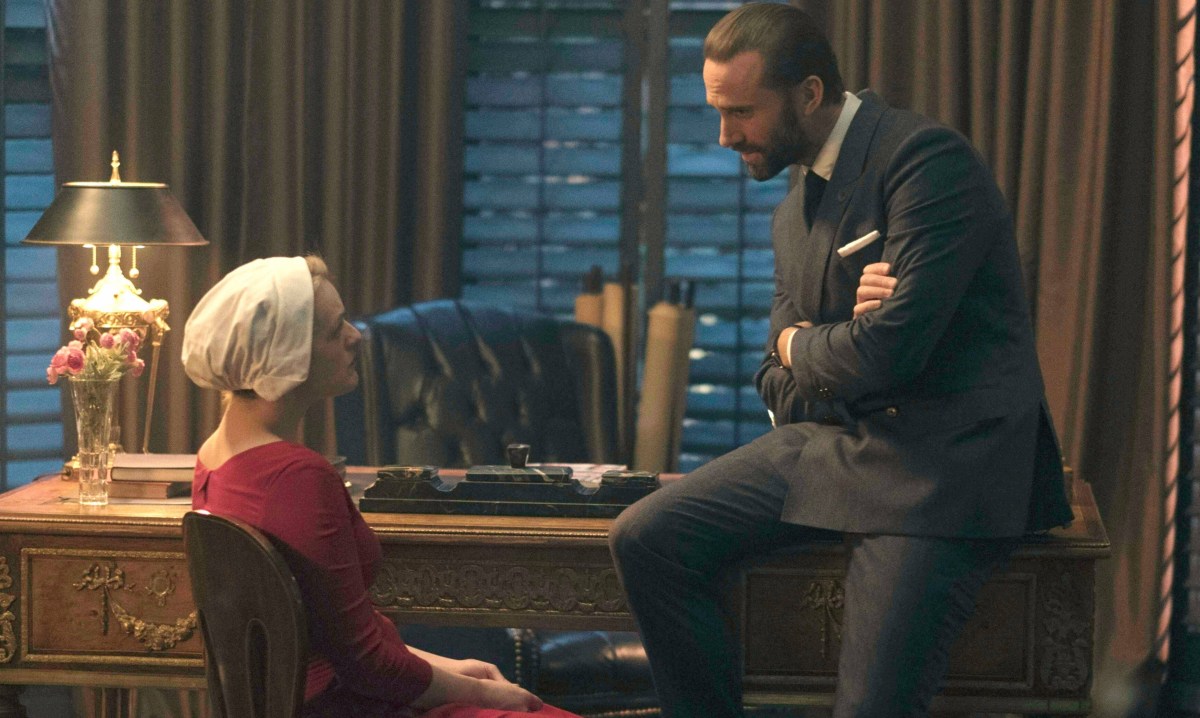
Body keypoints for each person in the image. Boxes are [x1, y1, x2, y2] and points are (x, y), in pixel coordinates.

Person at [608, 5, 1073, 717]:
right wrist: (818, 349)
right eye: (719, 112)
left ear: (809, 94)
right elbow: (773, 376)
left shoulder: (926, 161)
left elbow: (887, 350)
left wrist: (804, 344)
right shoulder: (789, 211)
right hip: (837, 443)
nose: (726, 135)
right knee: (641, 539)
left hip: (936, 468)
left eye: (742, 112)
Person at [182, 256, 579, 718]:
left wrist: (452, 671)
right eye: (335, 330)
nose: (356, 336)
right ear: (286, 355)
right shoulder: (295, 476)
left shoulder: (215, 456)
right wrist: (486, 694)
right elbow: (365, 665)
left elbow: (341, 638)